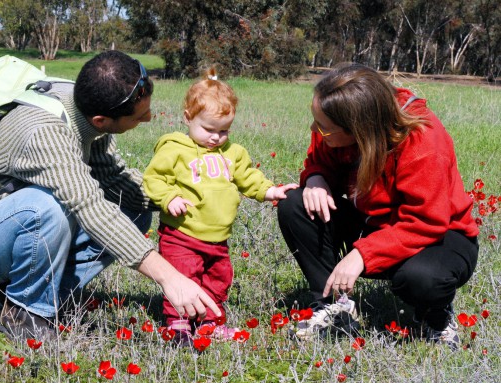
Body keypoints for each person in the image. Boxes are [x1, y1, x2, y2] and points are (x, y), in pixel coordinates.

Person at [0, 50, 222, 341]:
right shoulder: (45, 134)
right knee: (47, 208)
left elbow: (111, 179)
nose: (149, 118)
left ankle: (42, 293)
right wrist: (170, 278)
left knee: (133, 208)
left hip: (14, 226)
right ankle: (24, 314)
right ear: (101, 120)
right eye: (140, 116)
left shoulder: (85, 107)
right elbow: (91, 208)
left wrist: (183, 196)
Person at [277, 63, 479, 350]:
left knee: (421, 279)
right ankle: (333, 306)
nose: (314, 129)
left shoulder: (422, 141)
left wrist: (362, 254)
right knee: (296, 204)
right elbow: (320, 160)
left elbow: (427, 221)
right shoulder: (336, 121)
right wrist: (316, 179)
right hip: (374, 224)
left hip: (439, 236)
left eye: (323, 128)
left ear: (358, 129)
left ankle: (437, 317)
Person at [143, 69, 298, 345]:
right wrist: (169, 198)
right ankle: (178, 323)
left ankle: (209, 322)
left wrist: (270, 190)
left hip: (218, 238)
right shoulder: (174, 149)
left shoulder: (233, 153)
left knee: (219, 278)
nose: (216, 137)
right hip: (182, 234)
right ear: (188, 118)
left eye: (223, 130)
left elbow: (248, 177)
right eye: (209, 129)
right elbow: (153, 179)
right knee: (184, 275)